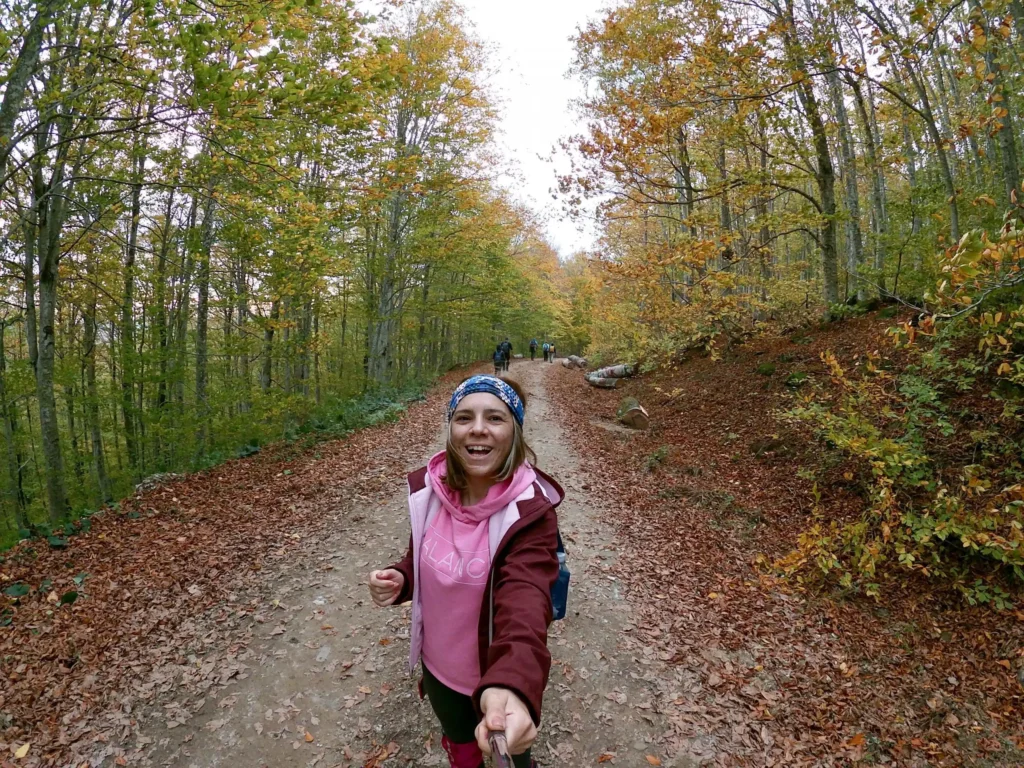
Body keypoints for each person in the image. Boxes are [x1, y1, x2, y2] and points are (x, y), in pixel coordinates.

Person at [368, 375, 563, 768]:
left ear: (515, 432)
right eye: (463, 418)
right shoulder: (431, 492)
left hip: (497, 671)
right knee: (461, 745)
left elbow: (527, 599)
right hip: (438, 669)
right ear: (451, 429)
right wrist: (402, 577)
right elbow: (420, 554)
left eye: (495, 418)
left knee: (513, 759)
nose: (477, 428)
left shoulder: (529, 514)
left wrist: (513, 683)